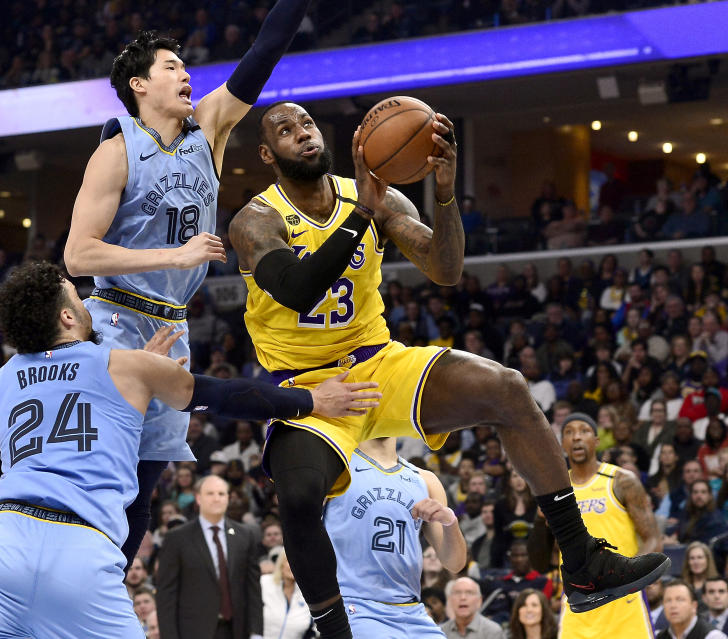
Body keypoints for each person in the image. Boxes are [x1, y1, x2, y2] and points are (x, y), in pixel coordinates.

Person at [228, 100, 669, 638]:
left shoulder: (378, 196)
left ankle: (580, 560)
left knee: (507, 388)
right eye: (285, 130)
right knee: (297, 497)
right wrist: (362, 215)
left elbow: (446, 268)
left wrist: (444, 193)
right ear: (266, 153)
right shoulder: (256, 219)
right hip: (308, 384)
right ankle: (334, 628)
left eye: (307, 124)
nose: (302, 134)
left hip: (377, 361)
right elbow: (297, 291)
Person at [0, 261, 377, 639]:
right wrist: (308, 402)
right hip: (80, 554)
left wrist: (134, 379)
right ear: (66, 313)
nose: (86, 298)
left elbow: (75, 396)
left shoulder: (6, 378)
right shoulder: (124, 364)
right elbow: (220, 394)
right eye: (76, 293)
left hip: (1, 546)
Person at [63, 0, 318, 570]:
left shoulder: (208, 126)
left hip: (172, 322)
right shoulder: (115, 149)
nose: (186, 75)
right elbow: (77, 254)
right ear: (138, 85)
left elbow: (262, 54)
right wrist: (175, 253)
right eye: (171, 67)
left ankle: (105, 591)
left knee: (145, 491)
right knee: (107, 477)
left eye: (185, 66)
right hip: (112, 319)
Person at [530, 412, 661, 639]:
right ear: (562, 444)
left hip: (622, 602)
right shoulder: (555, 490)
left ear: (596, 441)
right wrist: (541, 521)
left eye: (584, 431)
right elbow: (540, 562)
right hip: (579, 603)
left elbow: (652, 538)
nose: (576, 437)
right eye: (569, 432)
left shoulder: (622, 480)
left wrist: (629, 577)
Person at [321, 437, 464, 638]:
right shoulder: (334, 467)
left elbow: (455, 563)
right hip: (356, 608)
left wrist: (451, 522)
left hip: (412, 611)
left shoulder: (425, 479)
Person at [155, 475, 262, 639]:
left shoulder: (245, 535)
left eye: (221, 494)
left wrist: (257, 632)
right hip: (192, 631)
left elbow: (253, 588)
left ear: (228, 498)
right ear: (198, 498)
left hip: (237, 630)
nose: (216, 498)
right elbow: (166, 595)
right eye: (210, 493)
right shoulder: (176, 538)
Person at [260, 548, 310, 639]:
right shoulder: (264, 583)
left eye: (300, 563)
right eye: (289, 561)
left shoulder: (309, 595)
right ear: (281, 564)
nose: (294, 566)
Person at [656, 580, 728, 639]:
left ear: (694, 606)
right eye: (668, 600)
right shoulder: (656, 635)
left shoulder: (713, 636)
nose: (673, 605)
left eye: (680, 600)